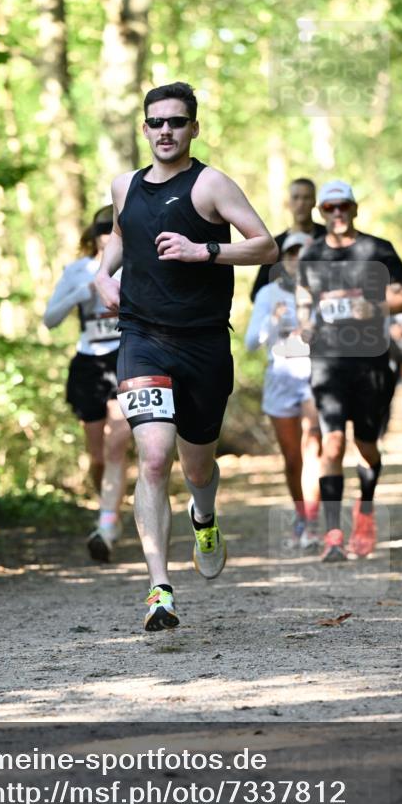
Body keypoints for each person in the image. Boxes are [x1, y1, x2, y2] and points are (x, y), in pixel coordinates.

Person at [94, 81, 277, 631]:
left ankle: (205, 516)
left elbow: (266, 246)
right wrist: (103, 275)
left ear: (193, 128)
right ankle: (160, 589)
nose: (165, 131)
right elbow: (122, 238)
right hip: (142, 337)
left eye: (176, 122)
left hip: (202, 344)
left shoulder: (211, 184)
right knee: (152, 457)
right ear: (144, 128)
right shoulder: (124, 185)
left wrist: (206, 250)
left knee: (197, 466)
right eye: (156, 123)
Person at [297, 180, 402, 562]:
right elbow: (303, 301)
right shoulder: (311, 256)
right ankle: (333, 535)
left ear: (354, 208)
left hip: (370, 364)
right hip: (328, 363)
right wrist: (305, 324)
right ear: (321, 213)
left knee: (366, 445)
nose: (337, 214)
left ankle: (364, 509)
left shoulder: (377, 249)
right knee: (331, 443)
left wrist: (376, 305)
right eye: (329, 208)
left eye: (343, 206)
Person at [44, 206, 132, 562]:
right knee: (97, 457)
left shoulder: (136, 266)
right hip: (88, 366)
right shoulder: (77, 270)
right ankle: (108, 511)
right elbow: (50, 320)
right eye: (102, 229)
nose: (107, 235)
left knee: (116, 448)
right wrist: (77, 295)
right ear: (92, 234)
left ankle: (107, 526)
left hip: (126, 357)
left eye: (114, 228)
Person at [245, 232, 321, 549]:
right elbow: (250, 344)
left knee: (313, 445)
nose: (298, 259)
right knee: (293, 460)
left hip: (314, 377)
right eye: (291, 253)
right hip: (280, 378)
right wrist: (272, 323)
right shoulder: (266, 294)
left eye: (305, 253)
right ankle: (301, 516)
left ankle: (314, 523)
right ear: (283, 259)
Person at [249, 177, 326, 302]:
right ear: (288, 202)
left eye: (306, 198)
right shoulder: (276, 245)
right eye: (296, 197)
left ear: (314, 202)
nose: (301, 203)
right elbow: (257, 294)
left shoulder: (328, 237)